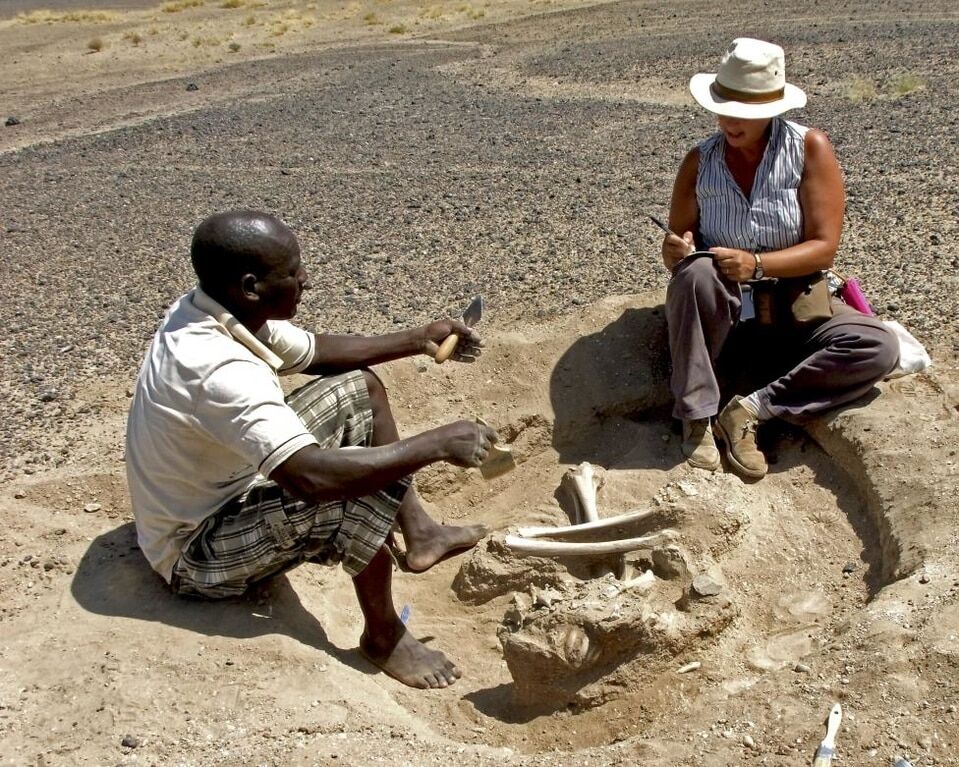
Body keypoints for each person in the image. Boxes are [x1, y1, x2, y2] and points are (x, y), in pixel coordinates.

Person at [125, 209, 498, 689]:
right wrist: (437, 443)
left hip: (228, 484)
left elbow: (317, 352)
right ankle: (383, 636)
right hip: (195, 551)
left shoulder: (222, 310)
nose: (306, 279)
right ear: (251, 285)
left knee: (360, 388)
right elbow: (311, 479)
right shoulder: (217, 370)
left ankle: (420, 532)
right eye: (293, 271)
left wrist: (417, 339)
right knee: (351, 487)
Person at [661, 38, 898, 479]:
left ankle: (751, 410)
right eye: (725, 106)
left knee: (877, 346)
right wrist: (676, 250)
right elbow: (677, 244)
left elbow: (824, 247)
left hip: (794, 307)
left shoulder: (808, 148)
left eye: (746, 112)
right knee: (695, 273)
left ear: (772, 109)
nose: (731, 120)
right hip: (725, 315)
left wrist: (759, 264)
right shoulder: (699, 161)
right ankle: (695, 417)